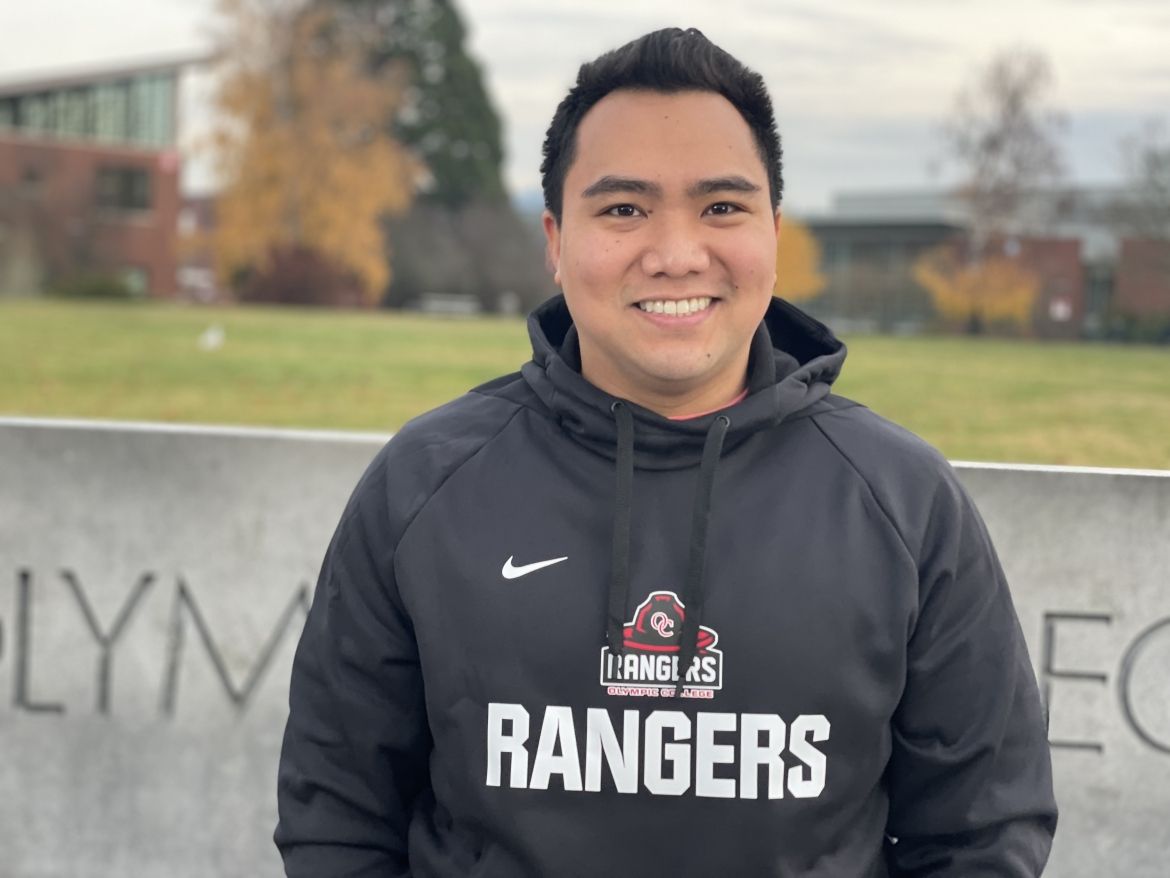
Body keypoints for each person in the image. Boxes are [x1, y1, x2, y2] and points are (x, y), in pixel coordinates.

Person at [275, 27, 1057, 877]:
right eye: (623, 209)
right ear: (555, 238)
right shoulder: (423, 484)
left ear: (773, 231)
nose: (678, 254)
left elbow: (983, 833)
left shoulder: (904, 501)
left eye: (722, 207)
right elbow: (338, 813)